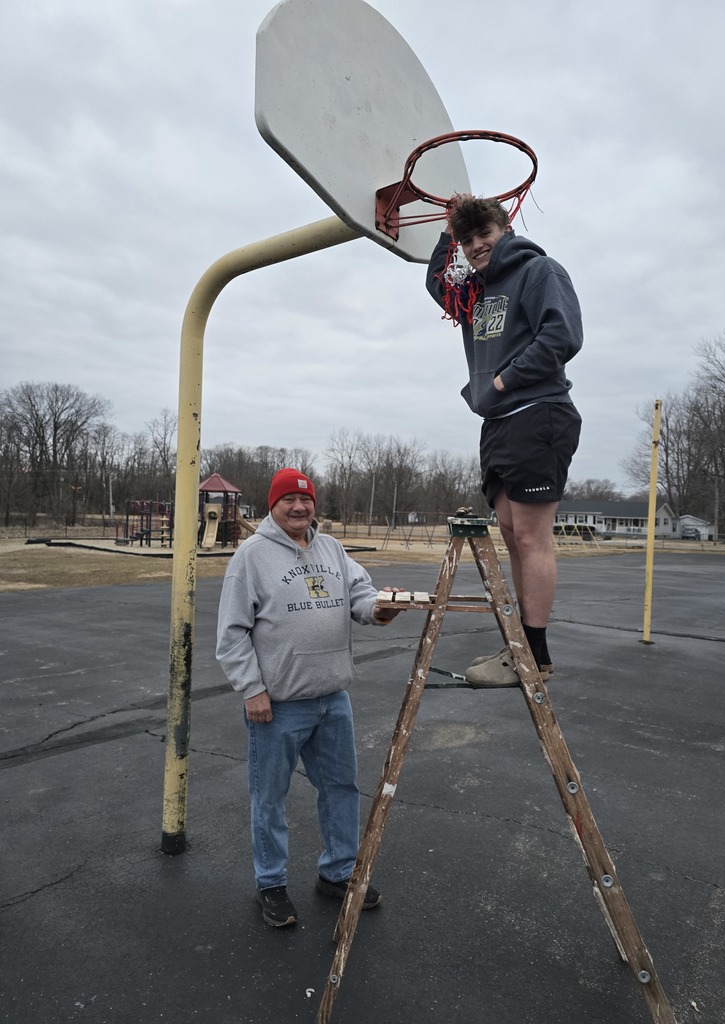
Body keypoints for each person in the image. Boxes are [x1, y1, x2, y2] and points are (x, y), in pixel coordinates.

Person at [216, 468, 402, 927]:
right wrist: (253, 689)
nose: (299, 508)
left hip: (332, 699)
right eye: (289, 501)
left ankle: (338, 874)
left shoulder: (332, 548)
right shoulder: (251, 557)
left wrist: (381, 609)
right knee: (269, 797)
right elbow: (232, 634)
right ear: (272, 505)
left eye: (306, 500)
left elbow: (361, 594)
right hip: (277, 706)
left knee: (341, 789)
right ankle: (271, 885)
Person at [426, 195, 582, 687]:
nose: (476, 246)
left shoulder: (539, 271)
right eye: (467, 240)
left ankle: (532, 656)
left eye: (484, 235)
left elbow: (562, 337)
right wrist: (445, 229)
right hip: (498, 423)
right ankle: (522, 648)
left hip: (537, 411)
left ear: (505, 226)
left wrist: (501, 382)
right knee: (513, 536)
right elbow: (437, 284)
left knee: (533, 538)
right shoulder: (474, 292)